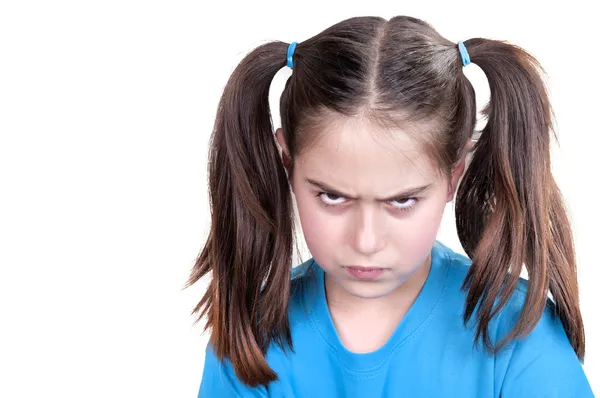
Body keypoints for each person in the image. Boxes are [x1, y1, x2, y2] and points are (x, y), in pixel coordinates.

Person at [187, 15, 594, 397]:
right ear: (287, 163)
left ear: (454, 175)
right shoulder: (250, 340)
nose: (366, 241)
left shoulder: (520, 335)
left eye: (401, 201)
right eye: (332, 196)